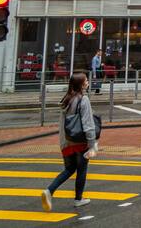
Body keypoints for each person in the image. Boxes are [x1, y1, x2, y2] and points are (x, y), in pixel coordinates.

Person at [41, 72, 99, 212]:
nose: (88, 82)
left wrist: (63, 143)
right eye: (85, 81)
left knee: (69, 169)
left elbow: (62, 125)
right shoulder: (83, 100)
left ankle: (49, 191)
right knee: (82, 170)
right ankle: (78, 199)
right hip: (80, 142)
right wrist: (92, 145)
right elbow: (88, 124)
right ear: (81, 84)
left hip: (67, 142)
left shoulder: (66, 99)